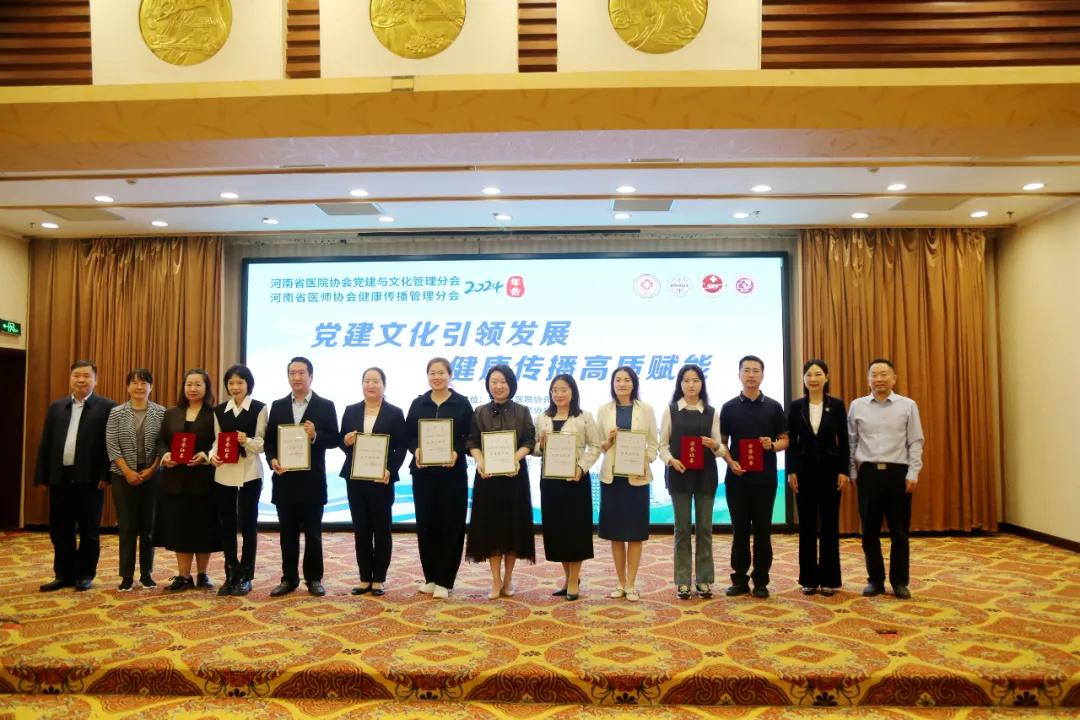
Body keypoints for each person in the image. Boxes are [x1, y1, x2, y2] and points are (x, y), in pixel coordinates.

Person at [35, 360, 117, 592]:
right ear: (70, 378)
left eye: (86, 376)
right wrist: (42, 474)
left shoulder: (107, 407)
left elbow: (110, 444)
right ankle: (64, 574)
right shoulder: (56, 407)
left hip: (91, 479)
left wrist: (106, 474)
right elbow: (46, 443)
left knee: (89, 530)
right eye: (76, 376)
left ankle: (84, 574)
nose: (81, 380)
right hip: (60, 477)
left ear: (95, 380)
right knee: (60, 529)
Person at [848, 358, 924, 600]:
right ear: (868, 379)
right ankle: (875, 580)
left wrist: (913, 472)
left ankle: (900, 582)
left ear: (894, 378)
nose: (879, 379)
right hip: (868, 474)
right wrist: (852, 471)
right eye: (874, 374)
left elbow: (915, 441)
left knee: (899, 532)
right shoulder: (857, 406)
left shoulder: (907, 405)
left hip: (897, 474)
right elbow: (851, 442)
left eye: (884, 374)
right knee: (869, 531)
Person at [264, 356, 339, 597]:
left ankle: (314, 579)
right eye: (292, 373)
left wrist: (315, 435)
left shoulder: (325, 405)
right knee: (287, 533)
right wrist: (272, 459)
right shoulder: (278, 406)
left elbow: (335, 439)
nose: (296, 377)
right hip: (285, 480)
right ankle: (289, 579)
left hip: (312, 481)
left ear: (311, 376)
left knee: (313, 534)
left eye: (301, 373)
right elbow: (269, 442)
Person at [719, 355, 788, 599]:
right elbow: (722, 443)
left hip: (765, 480)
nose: (750, 374)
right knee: (739, 530)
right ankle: (739, 580)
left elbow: (785, 440)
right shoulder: (728, 407)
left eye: (755, 370)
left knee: (762, 531)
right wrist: (730, 462)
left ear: (762, 375)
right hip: (736, 479)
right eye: (746, 370)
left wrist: (772, 445)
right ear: (739, 374)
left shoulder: (774, 407)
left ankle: (761, 580)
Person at [405, 357, 474, 599]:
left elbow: (470, 436)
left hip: (452, 475)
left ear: (450, 375)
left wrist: (456, 451)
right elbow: (408, 435)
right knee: (426, 525)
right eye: (432, 373)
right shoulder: (418, 404)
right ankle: (431, 577)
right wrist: (416, 449)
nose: (437, 377)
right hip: (423, 474)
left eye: (441, 373)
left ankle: (445, 580)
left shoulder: (462, 403)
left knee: (451, 526)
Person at [466, 364, 537, 600]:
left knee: (512, 529)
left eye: (503, 382)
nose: (498, 386)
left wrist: (515, 458)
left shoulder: (522, 411)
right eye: (494, 382)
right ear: (488, 385)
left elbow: (529, 441)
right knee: (492, 530)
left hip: (514, 478)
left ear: (511, 384)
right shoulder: (480, 412)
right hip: (488, 479)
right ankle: (496, 580)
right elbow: (472, 442)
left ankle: (508, 579)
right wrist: (480, 461)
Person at [659, 364, 726, 600]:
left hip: (705, 476)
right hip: (679, 474)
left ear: (702, 384)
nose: (691, 385)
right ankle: (683, 581)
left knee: (705, 529)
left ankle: (704, 579)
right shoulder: (671, 410)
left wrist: (715, 445)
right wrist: (671, 460)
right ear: (680, 384)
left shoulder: (711, 411)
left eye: (695, 380)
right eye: (686, 380)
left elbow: (720, 449)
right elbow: (662, 446)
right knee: (682, 529)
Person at [339, 367, 407, 597]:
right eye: (367, 381)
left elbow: (401, 447)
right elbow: (341, 441)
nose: (371, 385)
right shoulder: (351, 410)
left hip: (381, 478)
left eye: (375, 381)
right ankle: (364, 577)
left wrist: (390, 469)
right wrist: (345, 441)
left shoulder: (394, 413)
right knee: (361, 529)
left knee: (382, 528)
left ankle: (379, 578)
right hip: (356, 478)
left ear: (384, 385)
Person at [534, 374, 601, 601]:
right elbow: (534, 448)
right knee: (558, 531)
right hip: (550, 482)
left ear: (572, 392)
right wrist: (541, 445)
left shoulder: (584, 417)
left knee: (575, 530)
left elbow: (595, 447)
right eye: (555, 390)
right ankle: (568, 577)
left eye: (563, 389)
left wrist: (581, 468)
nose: (559, 394)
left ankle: (574, 580)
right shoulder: (543, 417)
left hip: (576, 481)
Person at [786, 359, 849, 597]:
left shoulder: (837, 405)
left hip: (831, 472)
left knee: (830, 526)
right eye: (809, 375)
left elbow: (844, 441)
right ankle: (809, 579)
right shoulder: (795, 407)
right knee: (807, 526)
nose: (813, 379)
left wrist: (843, 471)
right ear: (803, 379)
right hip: (803, 473)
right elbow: (791, 443)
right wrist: (791, 470)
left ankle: (829, 579)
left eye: (818, 374)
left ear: (826, 377)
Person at [596, 366, 658, 602]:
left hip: (637, 478)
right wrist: (608, 440)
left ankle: (631, 584)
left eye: (626, 380)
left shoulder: (646, 409)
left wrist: (645, 460)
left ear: (634, 383)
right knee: (615, 534)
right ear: (612, 384)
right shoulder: (604, 410)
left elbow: (653, 444)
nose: (622, 384)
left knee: (635, 533)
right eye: (618, 380)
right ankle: (620, 582)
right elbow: (598, 445)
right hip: (612, 479)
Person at [155, 368, 220, 591]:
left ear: (206, 388)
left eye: (198, 384)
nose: (192, 388)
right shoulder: (171, 413)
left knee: (203, 527)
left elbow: (219, 442)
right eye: (188, 384)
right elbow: (161, 441)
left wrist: (206, 455)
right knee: (179, 528)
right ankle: (183, 576)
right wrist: (165, 455)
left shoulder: (215, 414)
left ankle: (203, 574)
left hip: (204, 480)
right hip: (175, 480)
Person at [209, 364, 267, 597]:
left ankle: (246, 574)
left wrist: (247, 441)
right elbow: (216, 441)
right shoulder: (219, 410)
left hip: (250, 473)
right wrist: (213, 457)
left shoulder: (259, 408)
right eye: (231, 383)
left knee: (248, 523)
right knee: (227, 524)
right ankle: (231, 571)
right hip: (224, 474)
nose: (235, 387)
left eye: (240, 382)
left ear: (248, 384)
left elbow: (262, 444)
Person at [105, 368, 164, 591]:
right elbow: (112, 445)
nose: (139, 387)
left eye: (144, 383)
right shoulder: (116, 413)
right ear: (128, 387)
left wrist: (152, 469)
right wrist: (127, 471)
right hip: (122, 475)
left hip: (152, 475)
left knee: (148, 527)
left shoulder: (161, 412)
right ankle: (126, 576)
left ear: (151, 387)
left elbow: (163, 445)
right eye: (134, 383)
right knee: (127, 527)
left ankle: (146, 573)